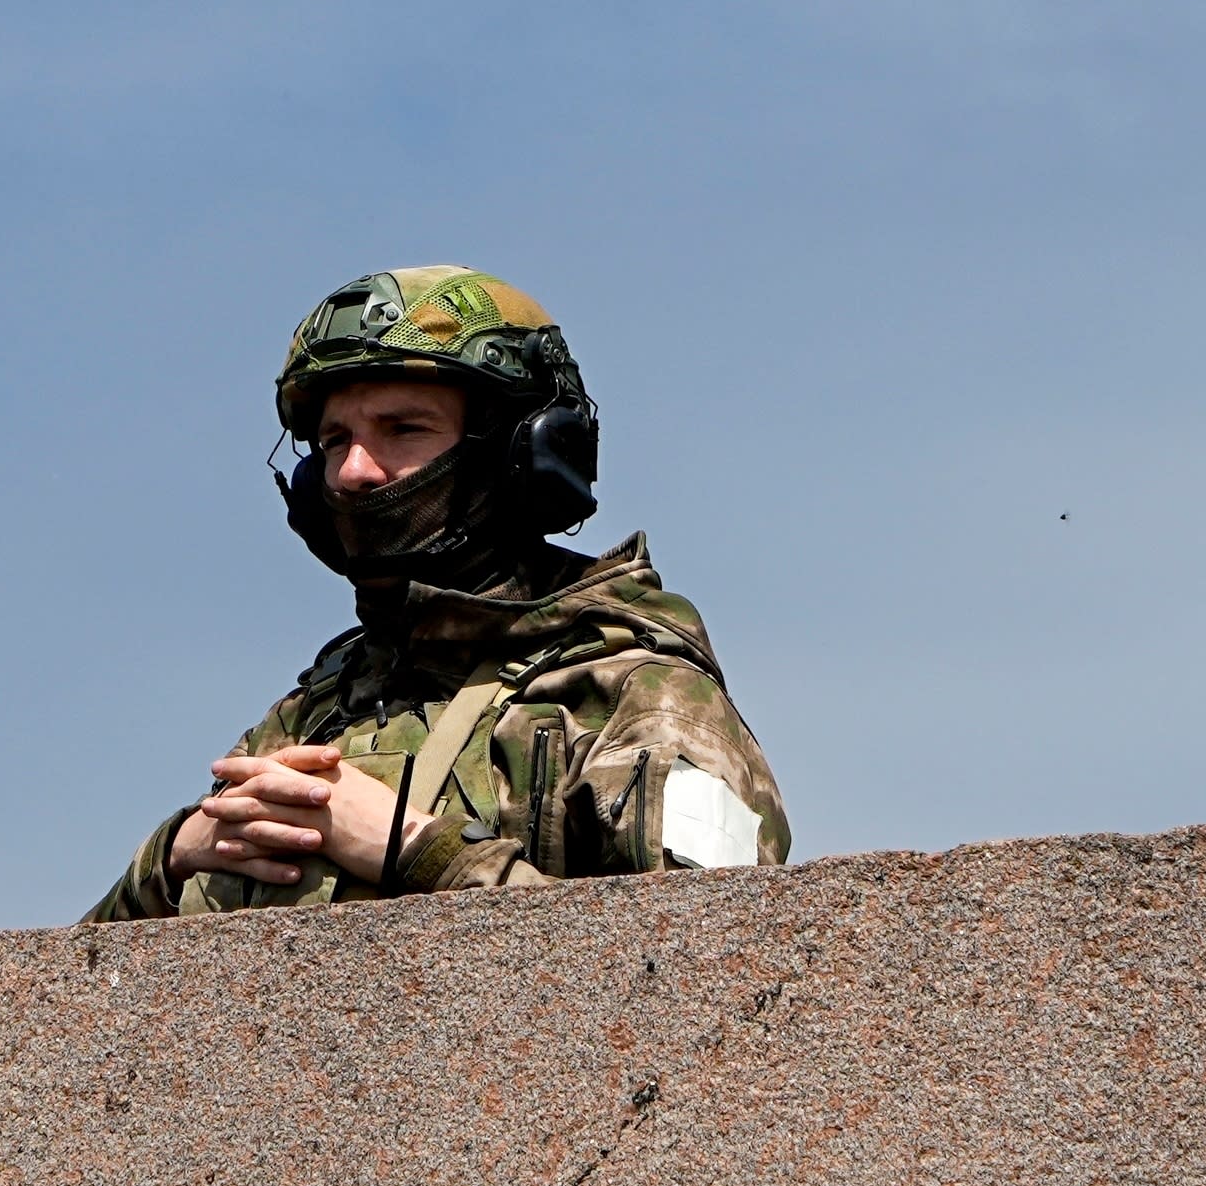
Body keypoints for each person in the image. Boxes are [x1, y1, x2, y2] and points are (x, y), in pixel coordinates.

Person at [90, 268, 791, 921]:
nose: (354, 472)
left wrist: (417, 849)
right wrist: (170, 860)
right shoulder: (311, 719)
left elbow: (713, 966)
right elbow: (67, 998)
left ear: (520, 452)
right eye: (334, 440)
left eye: (403, 429)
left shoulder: (633, 697)